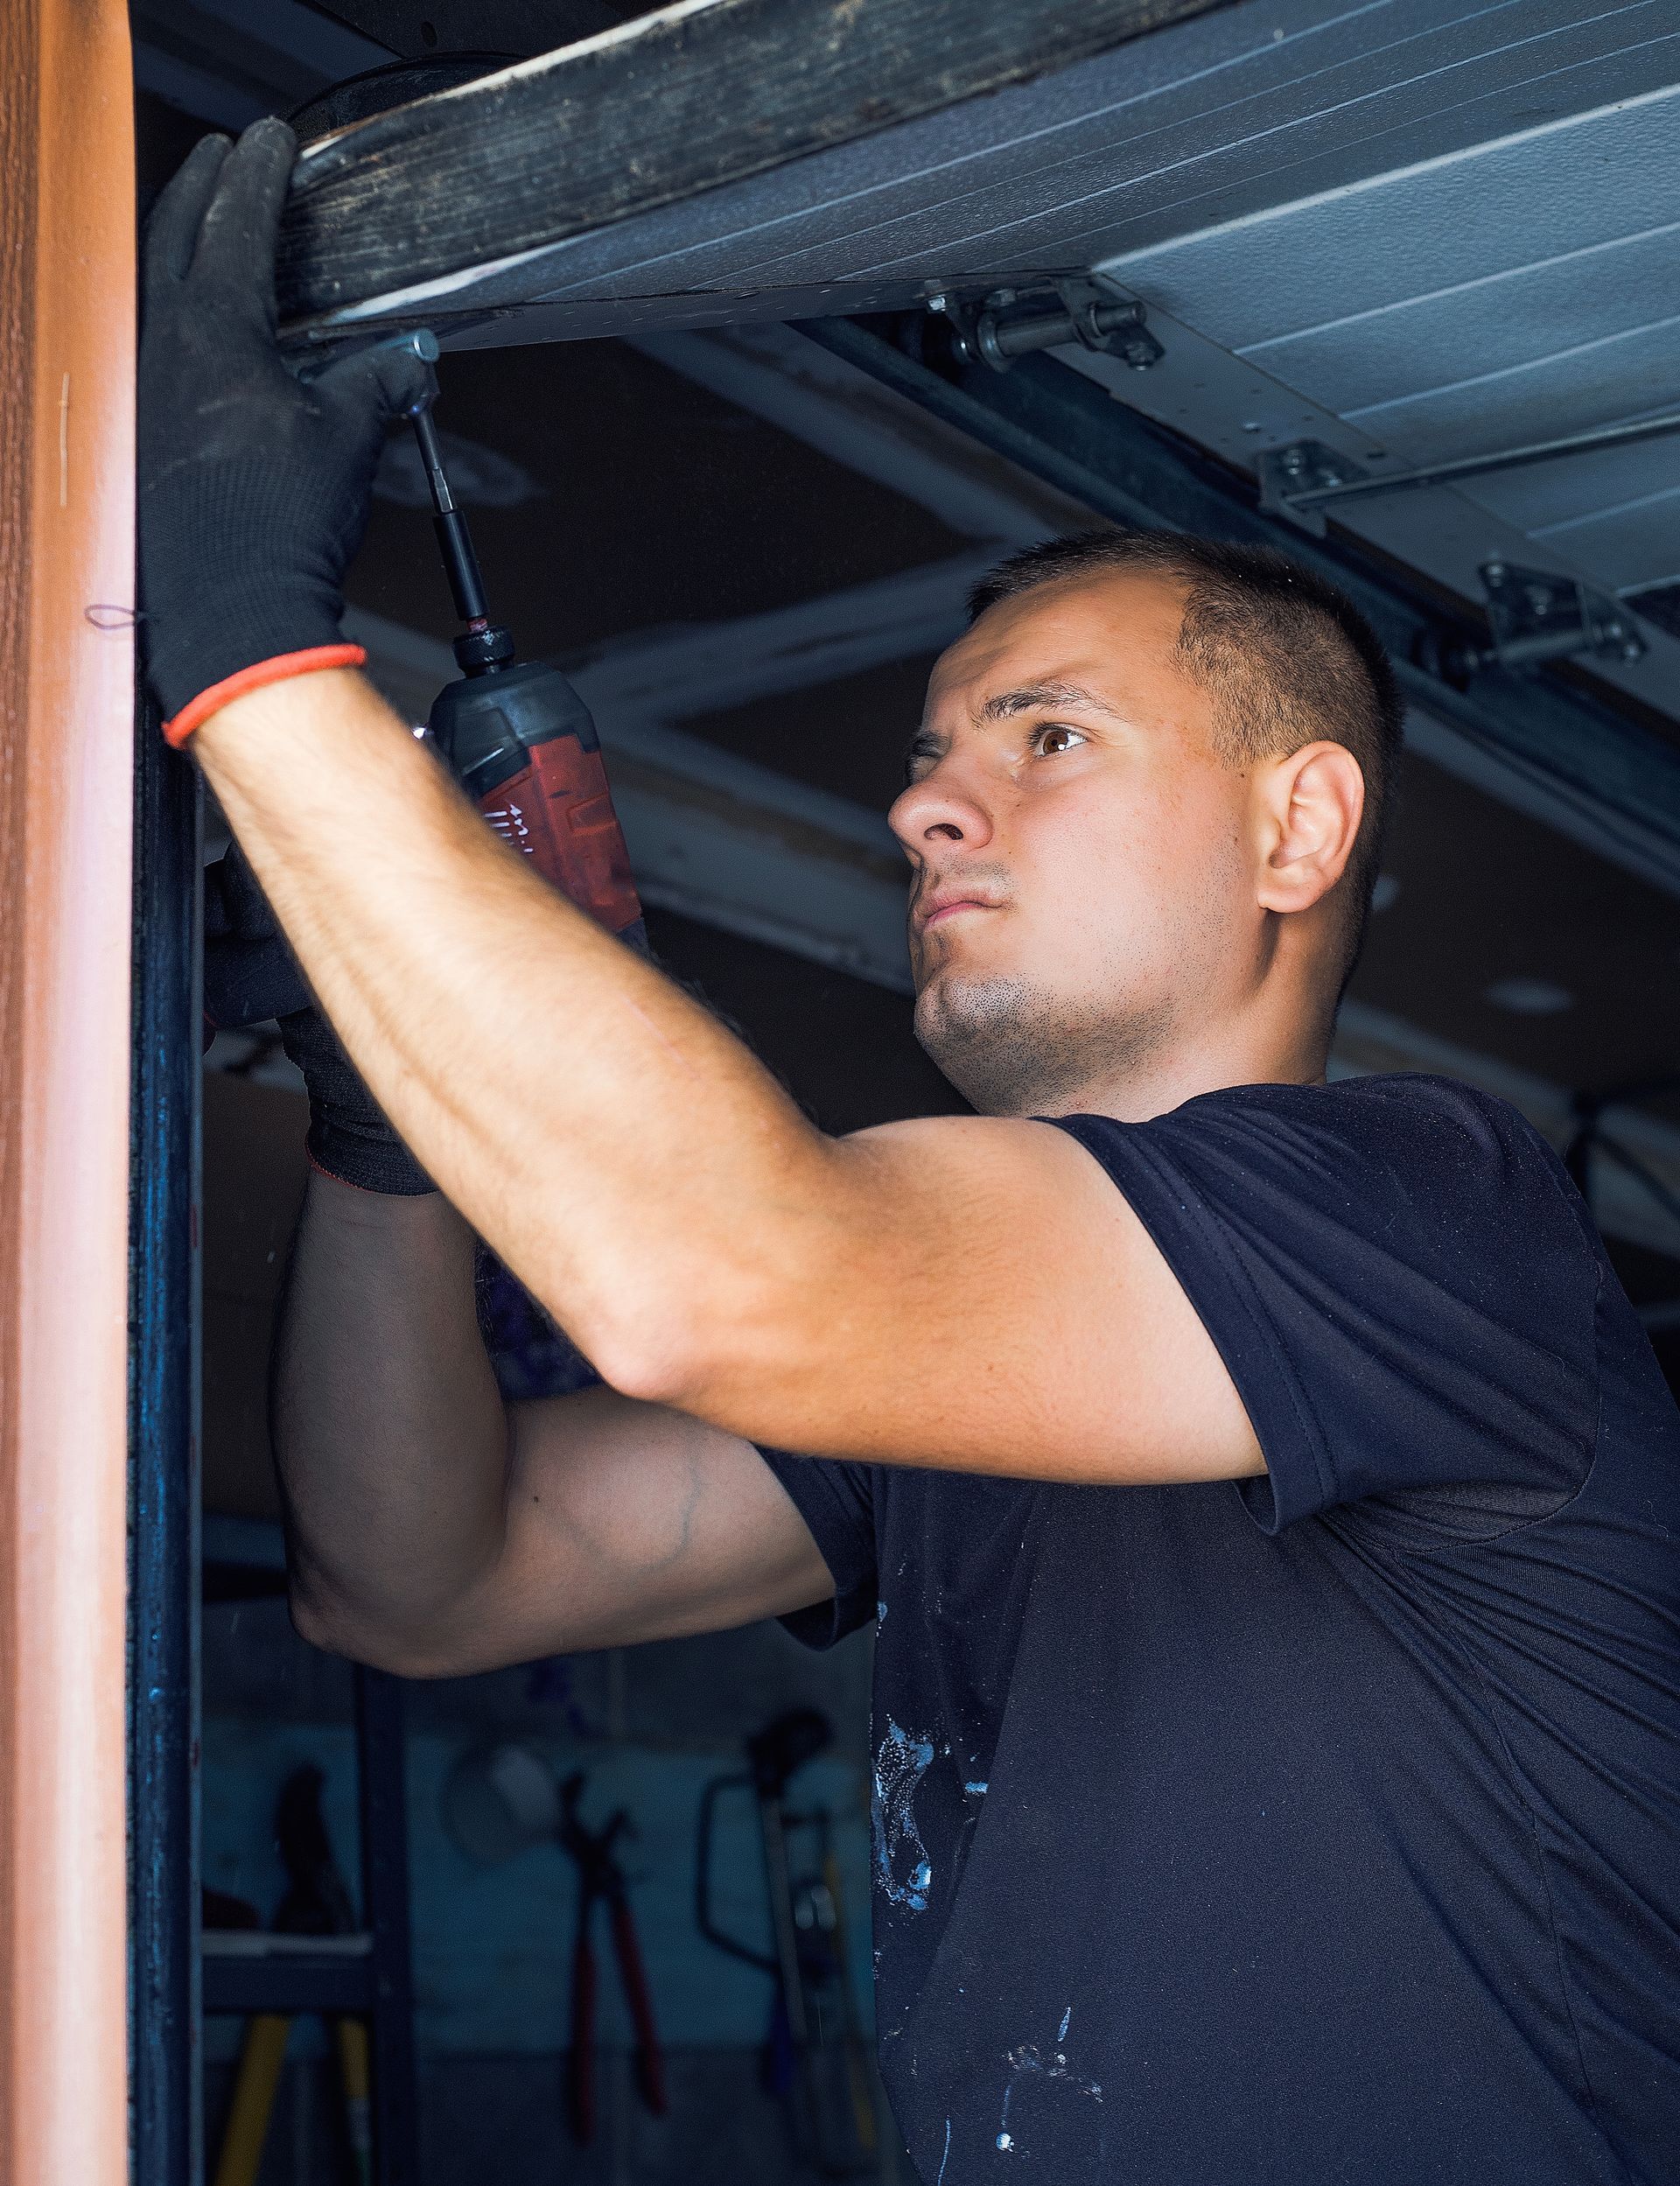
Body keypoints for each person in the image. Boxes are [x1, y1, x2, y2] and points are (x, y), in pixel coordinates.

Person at [144, 123, 1680, 2186]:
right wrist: (381, 1133)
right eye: (930, 760)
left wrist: (254, 650)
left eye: (1046, 738)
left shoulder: (1424, 1206)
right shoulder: (945, 1385)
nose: (926, 811)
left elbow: (719, 1276)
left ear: (1297, 831)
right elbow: (421, 1577)